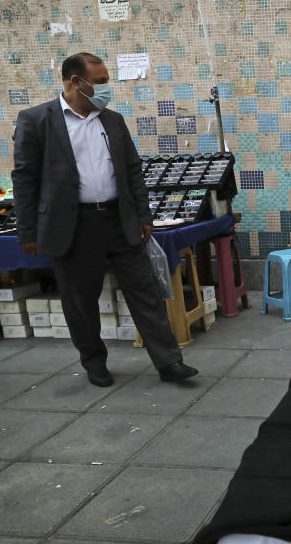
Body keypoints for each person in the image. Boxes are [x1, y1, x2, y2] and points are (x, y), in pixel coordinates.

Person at [12, 52, 198, 386]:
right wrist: (27, 230)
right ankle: (94, 363)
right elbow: (24, 178)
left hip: (119, 221)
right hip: (74, 227)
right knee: (80, 302)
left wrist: (143, 215)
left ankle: (169, 362)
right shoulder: (37, 120)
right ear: (75, 82)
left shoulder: (112, 120)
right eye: (100, 82)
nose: (106, 88)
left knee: (146, 293)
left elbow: (132, 170)